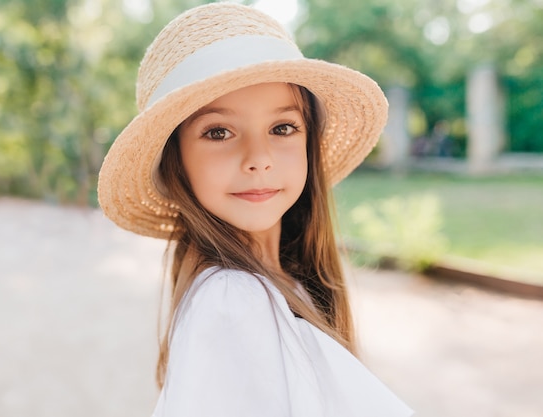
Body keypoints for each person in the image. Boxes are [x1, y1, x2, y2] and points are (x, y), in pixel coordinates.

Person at [98, 3, 413, 416]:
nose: (259, 158)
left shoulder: (275, 285)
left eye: (282, 128)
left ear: (307, 142)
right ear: (176, 162)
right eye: (219, 132)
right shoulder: (234, 301)